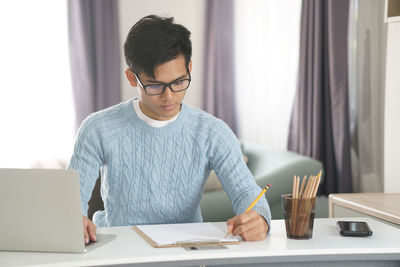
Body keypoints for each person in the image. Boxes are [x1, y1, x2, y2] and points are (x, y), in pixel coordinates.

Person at [67, 15, 271, 245]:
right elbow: (70, 202)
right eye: (155, 85)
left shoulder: (213, 132)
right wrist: (74, 219)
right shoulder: (97, 128)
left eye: (179, 82)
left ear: (189, 69)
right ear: (132, 78)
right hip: (118, 248)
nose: (169, 97)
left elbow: (248, 193)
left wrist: (259, 218)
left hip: (185, 250)